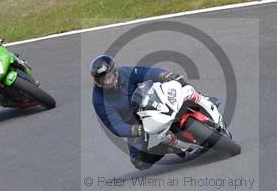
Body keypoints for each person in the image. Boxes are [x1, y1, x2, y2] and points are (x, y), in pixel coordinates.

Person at [90, 54, 218, 170]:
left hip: (147, 103)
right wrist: (138, 130)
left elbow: (147, 73)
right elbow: (115, 126)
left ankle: (203, 99)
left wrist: (165, 75)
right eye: (102, 80)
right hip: (134, 122)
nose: (107, 82)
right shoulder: (98, 100)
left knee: (176, 81)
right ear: (97, 81)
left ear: (115, 72)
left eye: (109, 77)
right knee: (139, 162)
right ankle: (167, 147)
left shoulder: (125, 73)